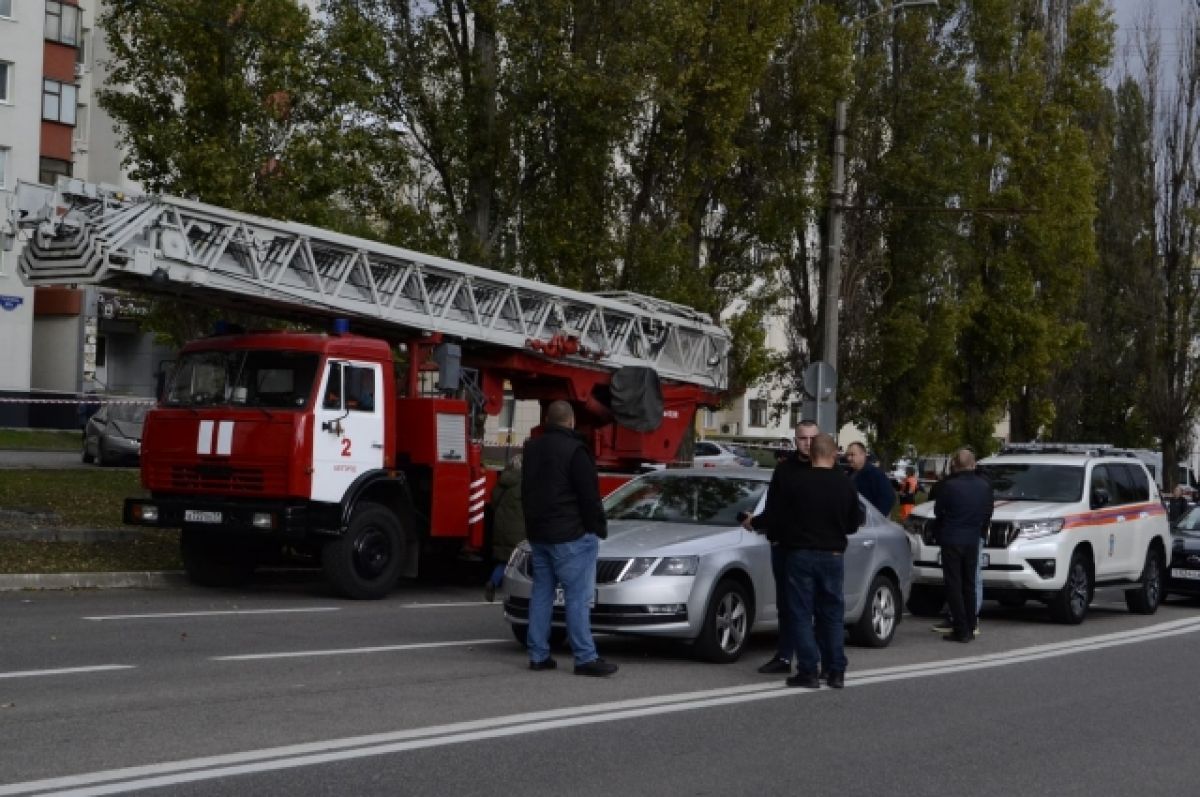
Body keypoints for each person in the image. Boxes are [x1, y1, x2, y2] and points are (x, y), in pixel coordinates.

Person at [745, 433, 863, 688]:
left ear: (812, 454)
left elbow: (776, 516)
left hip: (800, 555)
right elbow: (854, 523)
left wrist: (753, 522)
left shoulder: (797, 482)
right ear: (834, 455)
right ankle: (836, 671)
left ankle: (808, 670)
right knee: (832, 613)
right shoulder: (846, 484)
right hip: (833, 556)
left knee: (799, 613)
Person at [521, 400, 617, 677]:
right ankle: (585, 657)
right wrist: (596, 527)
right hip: (571, 534)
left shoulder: (532, 448)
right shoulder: (576, 450)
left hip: (539, 533)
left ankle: (538, 654)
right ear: (571, 421)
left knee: (541, 594)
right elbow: (589, 496)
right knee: (577, 597)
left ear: (548, 420)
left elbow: (527, 490)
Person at [750, 419, 819, 675]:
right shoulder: (784, 470)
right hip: (783, 545)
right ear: (795, 440)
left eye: (812, 438)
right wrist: (757, 523)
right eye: (803, 438)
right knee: (786, 604)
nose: (807, 443)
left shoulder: (825, 468)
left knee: (808, 605)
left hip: (813, 547)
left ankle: (811, 661)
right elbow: (774, 509)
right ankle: (784, 655)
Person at [930, 448, 994, 643]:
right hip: (973, 538)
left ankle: (960, 628)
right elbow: (987, 513)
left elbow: (938, 510)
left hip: (952, 538)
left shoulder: (949, 486)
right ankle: (971, 623)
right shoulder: (984, 486)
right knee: (969, 583)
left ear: (955, 465)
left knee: (954, 584)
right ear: (973, 464)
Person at [484, 455, 524, 602]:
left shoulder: (502, 482)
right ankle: (517, 592)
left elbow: (494, 502)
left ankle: (493, 581)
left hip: (501, 528)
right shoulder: (524, 483)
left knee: (504, 560)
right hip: (520, 530)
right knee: (519, 561)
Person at [846, 442, 895, 518]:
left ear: (863, 455)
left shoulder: (876, 475)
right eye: (848, 455)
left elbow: (887, 499)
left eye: (852, 455)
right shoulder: (849, 474)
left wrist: (876, 519)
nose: (849, 458)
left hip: (871, 525)